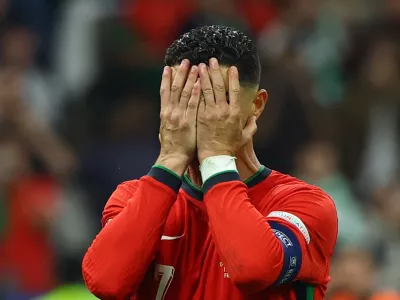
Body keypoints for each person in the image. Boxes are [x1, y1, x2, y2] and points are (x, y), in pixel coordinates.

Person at [82, 25, 338, 300]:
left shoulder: (304, 204)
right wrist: (171, 158)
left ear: (257, 104)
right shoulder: (131, 197)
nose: (201, 114)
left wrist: (216, 158)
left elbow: (254, 269)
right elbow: (105, 282)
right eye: (185, 98)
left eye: (218, 99)